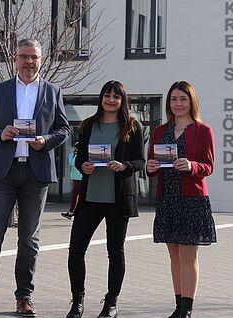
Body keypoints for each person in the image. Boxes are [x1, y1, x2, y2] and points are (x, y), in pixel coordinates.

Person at [0, 38, 71, 318]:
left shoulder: (53, 91)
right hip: (4, 172)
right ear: (15, 58)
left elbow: (64, 129)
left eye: (34, 57)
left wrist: (46, 141)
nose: (29, 62)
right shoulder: (0, 90)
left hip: (35, 174)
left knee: (29, 240)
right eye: (24, 56)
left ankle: (24, 297)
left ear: (41, 60)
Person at [66, 80, 145, 318]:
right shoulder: (89, 125)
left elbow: (140, 161)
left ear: (123, 100)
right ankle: (77, 302)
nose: (111, 100)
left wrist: (124, 165)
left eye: (116, 96)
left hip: (118, 199)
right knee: (76, 251)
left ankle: (111, 303)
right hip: (90, 197)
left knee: (115, 252)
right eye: (107, 95)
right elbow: (79, 157)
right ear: (101, 98)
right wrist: (84, 165)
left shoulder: (132, 126)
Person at [146, 81, 216, 318]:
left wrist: (191, 165)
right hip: (167, 199)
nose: (178, 104)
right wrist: (151, 166)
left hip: (192, 199)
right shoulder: (159, 131)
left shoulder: (202, 130)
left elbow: (208, 166)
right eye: (174, 99)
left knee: (188, 256)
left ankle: (187, 309)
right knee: (174, 256)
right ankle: (178, 306)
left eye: (183, 99)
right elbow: (151, 165)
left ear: (191, 102)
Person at [61, 142, 81, 219]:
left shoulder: (81, 156)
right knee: (75, 195)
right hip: (75, 177)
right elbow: (70, 162)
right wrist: (75, 155)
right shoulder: (72, 155)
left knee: (78, 195)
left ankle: (73, 212)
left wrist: (77, 155)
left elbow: (74, 163)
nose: (75, 149)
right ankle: (71, 212)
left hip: (80, 178)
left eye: (77, 148)